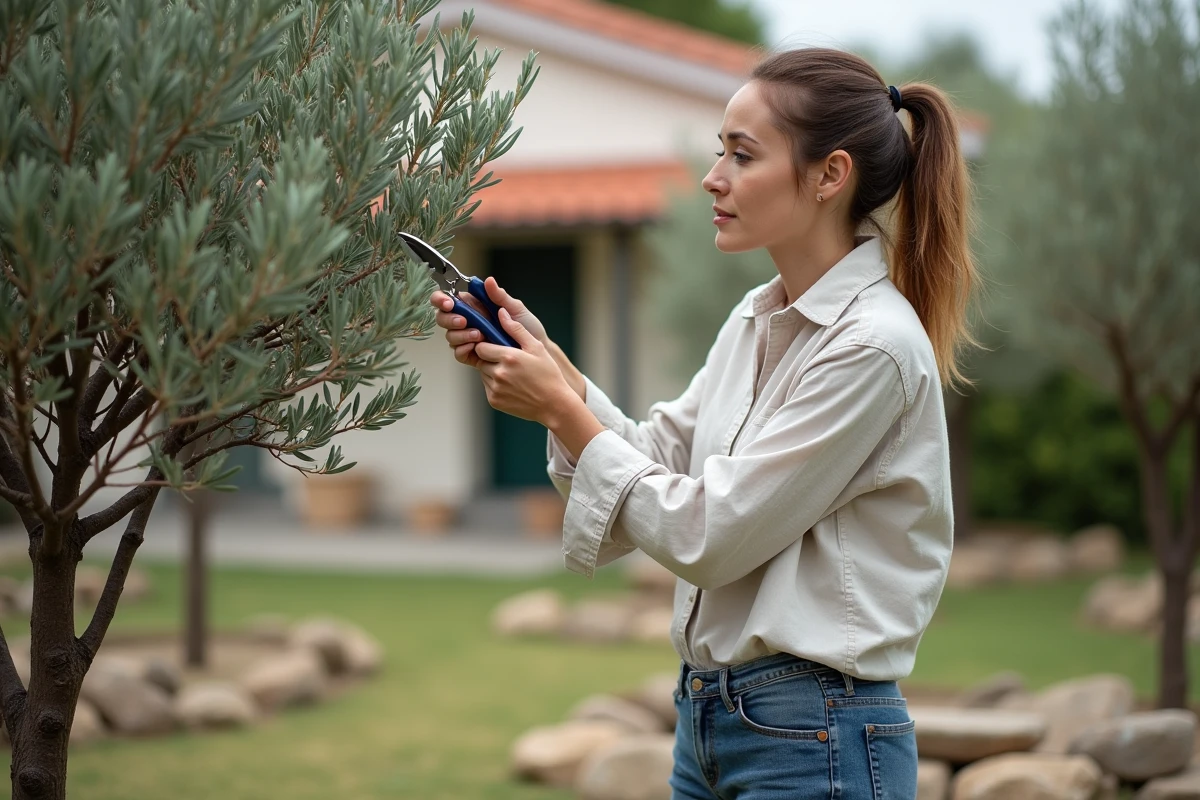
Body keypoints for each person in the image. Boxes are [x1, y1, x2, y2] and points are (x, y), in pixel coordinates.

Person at [431, 46, 975, 800]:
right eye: (721, 150)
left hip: (816, 736)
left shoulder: (872, 348)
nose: (713, 176)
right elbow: (658, 457)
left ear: (830, 175)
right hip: (712, 724)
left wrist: (558, 407)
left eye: (742, 155)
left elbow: (712, 534)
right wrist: (555, 369)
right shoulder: (754, 320)